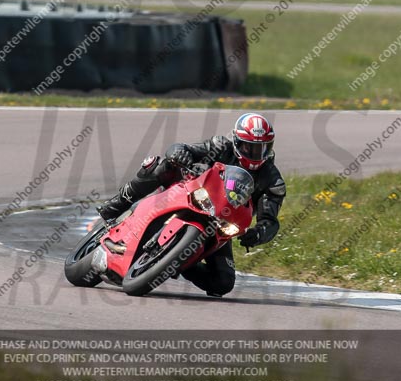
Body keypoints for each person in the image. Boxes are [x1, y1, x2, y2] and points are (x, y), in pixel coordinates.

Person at [97, 113, 286, 297]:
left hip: (220, 224)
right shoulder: (220, 146)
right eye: (249, 147)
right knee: (161, 166)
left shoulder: (273, 180)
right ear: (236, 142)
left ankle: (175, 262)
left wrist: (258, 234)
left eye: (262, 148)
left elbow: (269, 220)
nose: (256, 154)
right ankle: (117, 204)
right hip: (192, 192)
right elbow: (183, 148)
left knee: (223, 283)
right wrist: (181, 154)